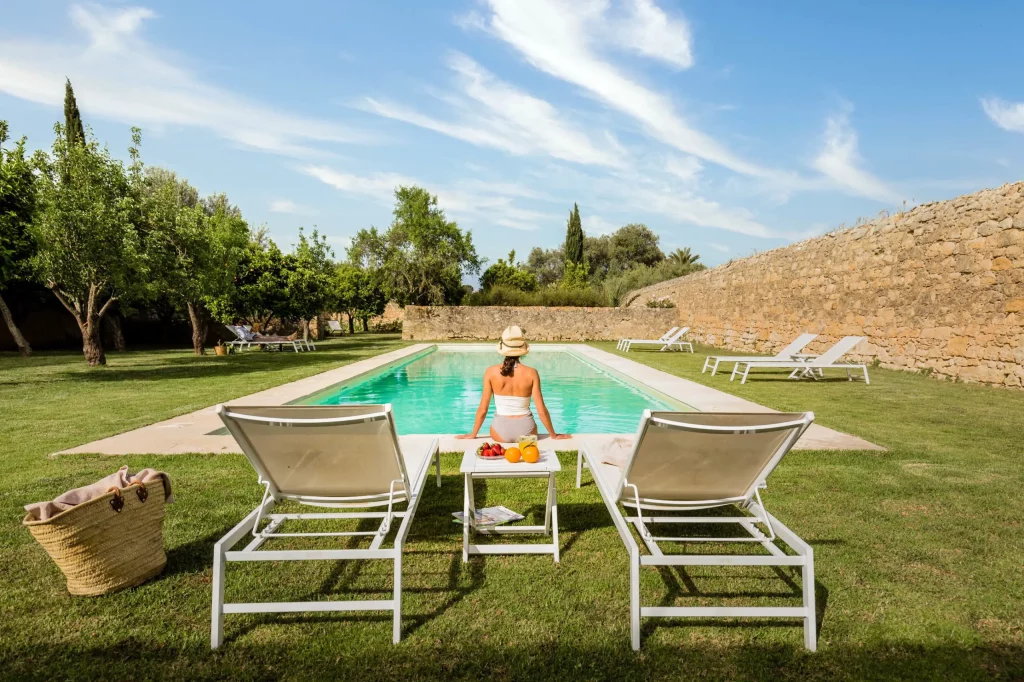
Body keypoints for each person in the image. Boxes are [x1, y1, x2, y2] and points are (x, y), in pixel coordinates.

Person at [456, 326, 571, 443]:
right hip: (527, 430)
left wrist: (473, 434)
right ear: (522, 349)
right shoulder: (531, 373)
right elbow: (541, 410)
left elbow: (483, 410)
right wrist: (553, 435)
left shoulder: (490, 372)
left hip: (500, 431)